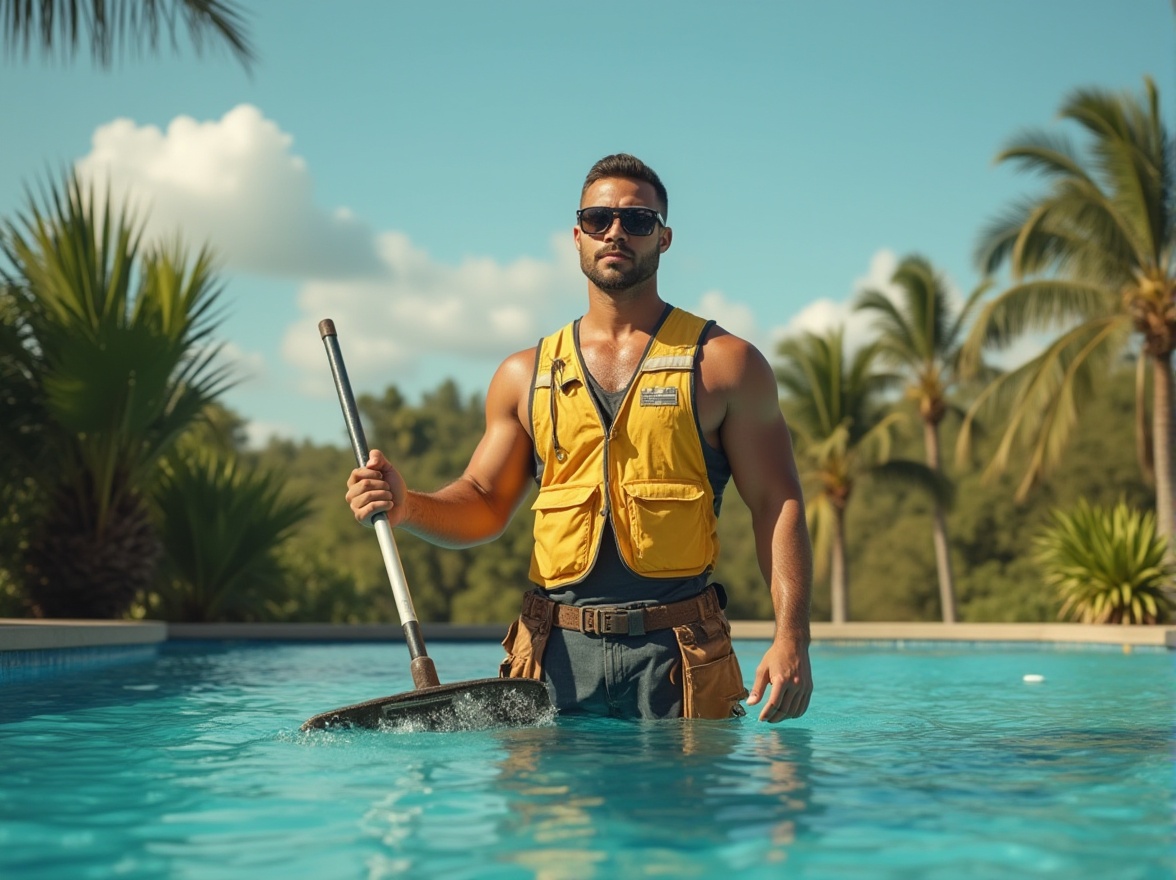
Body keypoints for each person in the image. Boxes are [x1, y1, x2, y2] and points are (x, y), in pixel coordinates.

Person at [346, 154, 813, 723]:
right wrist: (406, 505)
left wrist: (793, 638)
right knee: (545, 815)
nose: (616, 232)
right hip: (550, 659)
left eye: (637, 220)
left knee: (686, 816)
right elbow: (485, 501)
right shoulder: (525, 375)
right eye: (599, 220)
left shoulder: (725, 364)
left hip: (679, 660)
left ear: (663, 238)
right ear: (577, 236)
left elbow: (777, 500)